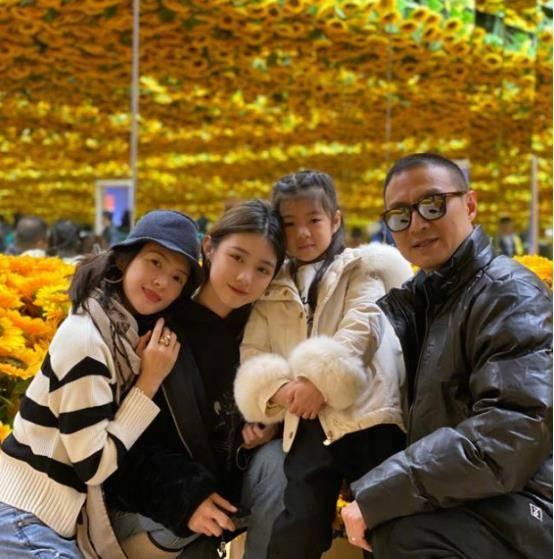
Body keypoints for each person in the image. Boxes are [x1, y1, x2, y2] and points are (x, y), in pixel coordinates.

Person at [342, 153, 552, 559]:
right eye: (400, 216)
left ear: (470, 205)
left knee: (403, 534)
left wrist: (382, 493)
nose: (417, 224)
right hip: (475, 494)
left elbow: (511, 431)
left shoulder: (508, 293)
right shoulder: (425, 301)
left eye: (432, 205)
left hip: (526, 502)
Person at [0, 210, 204, 558]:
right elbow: (93, 465)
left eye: (177, 278)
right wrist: (148, 383)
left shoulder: (113, 334)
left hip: (50, 520)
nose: (162, 282)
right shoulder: (87, 341)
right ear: (124, 260)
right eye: (155, 262)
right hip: (25, 518)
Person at [234, 170, 413, 559]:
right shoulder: (272, 289)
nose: (302, 233)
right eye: (289, 223)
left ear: (334, 220)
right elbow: (254, 351)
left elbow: (364, 325)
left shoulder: (360, 269)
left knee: (383, 524)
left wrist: (320, 380)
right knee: (298, 525)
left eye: (313, 220)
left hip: (369, 417)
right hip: (308, 424)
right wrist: (281, 390)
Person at [103, 200, 288, 559]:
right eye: (236, 257)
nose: (245, 277)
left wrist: (266, 428)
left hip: (221, 506)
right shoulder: (160, 328)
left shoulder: (260, 334)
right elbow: (126, 451)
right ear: (209, 247)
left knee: (278, 462)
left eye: (262, 269)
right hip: (152, 506)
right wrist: (187, 498)